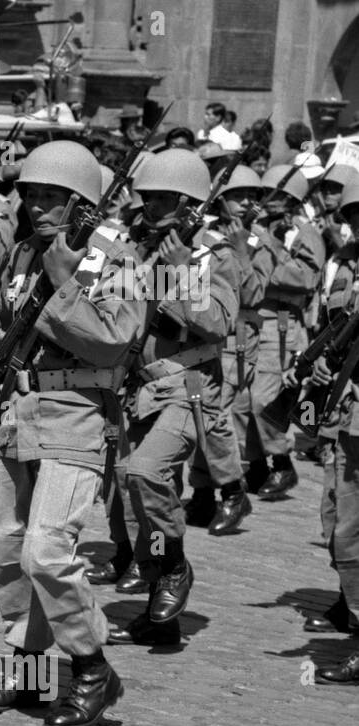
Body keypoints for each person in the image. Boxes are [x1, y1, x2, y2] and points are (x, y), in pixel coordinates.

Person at [0, 140, 146, 726]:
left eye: (53, 197)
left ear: (82, 203)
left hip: (79, 417)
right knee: (8, 550)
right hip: (21, 415)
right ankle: (29, 670)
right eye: (33, 195)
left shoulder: (115, 259)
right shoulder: (24, 253)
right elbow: (1, 325)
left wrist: (64, 285)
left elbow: (114, 339)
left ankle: (92, 669)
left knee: (48, 550)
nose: (39, 207)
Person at [104, 150, 237, 646]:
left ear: (190, 204)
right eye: (149, 197)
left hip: (190, 383)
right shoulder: (141, 248)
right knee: (130, 488)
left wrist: (180, 274)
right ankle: (160, 609)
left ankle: (175, 567)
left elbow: (219, 323)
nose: (153, 206)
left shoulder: (212, 255)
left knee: (146, 471)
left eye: (165, 198)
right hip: (142, 387)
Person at [182, 166, 267, 538]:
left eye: (252, 194)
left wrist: (240, 250)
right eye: (238, 194)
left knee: (214, 418)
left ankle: (232, 490)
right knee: (201, 414)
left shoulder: (260, 239)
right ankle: (202, 492)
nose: (246, 201)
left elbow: (253, 294)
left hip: (237, 336)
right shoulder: (201, 233)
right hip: (202, 335)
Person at [297, 175, 359, 658]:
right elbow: (330, 323)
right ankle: (347, 600)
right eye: (354, 217)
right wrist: (320, 358)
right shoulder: (343, 263)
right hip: (341, 399)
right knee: (337, 511)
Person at [235, 165, 324, 501]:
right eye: (269, 195)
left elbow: (306, 278)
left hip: (281, 324)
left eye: (281, 197)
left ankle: (283, 462)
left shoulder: (303, 232)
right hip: (252, 321)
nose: (272, 203)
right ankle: (257, 465)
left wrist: (268, 257)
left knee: (265, 399)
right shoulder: (258, 227)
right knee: (241, 401)